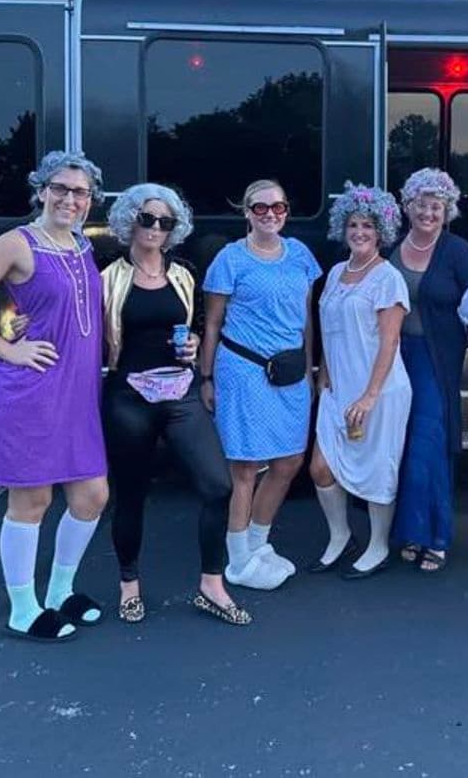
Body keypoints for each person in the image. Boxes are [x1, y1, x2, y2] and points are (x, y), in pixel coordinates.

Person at [0, 150, 108, 642]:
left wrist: (12, 321)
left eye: (79, 192)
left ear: (89, 200)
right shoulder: (17, 244)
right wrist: (9, 349)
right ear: (41, 191)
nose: (69, 199)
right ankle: (23, 607)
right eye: (60, 188)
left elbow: (45, 307)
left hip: (75, 398)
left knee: (93, 496)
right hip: (27, 394)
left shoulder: (79, 247)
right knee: (31, 501)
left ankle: (60, 592)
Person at [100, 184, 250, 626]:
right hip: (128, 395)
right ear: (131, 220)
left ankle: (211, 585)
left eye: (165, 222)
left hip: (179, 392)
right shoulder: (106, 276)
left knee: (217, 485)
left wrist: (194, 348)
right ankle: (129, 584)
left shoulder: (182, 272)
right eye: (148, 218)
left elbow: (200, 327)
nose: (156, 228)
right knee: (131, 495)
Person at [199, 179, 322, 590]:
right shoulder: (230, 259)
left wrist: (309, 369)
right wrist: (206, 376)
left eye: (279, 207)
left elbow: (306, 318)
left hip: (289, 374)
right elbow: (213, 323)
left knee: (289, 462)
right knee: (246, 468)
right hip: (243, 371)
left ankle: (256, 541)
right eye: (260, 208)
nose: (270, 214)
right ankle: (236, 561)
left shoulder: (301, 255)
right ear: (246, 212)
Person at [389, 168, 468, 572]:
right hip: (393, 357)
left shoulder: (457, 250)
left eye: (437, 206)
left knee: (426, 443)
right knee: (397, 441)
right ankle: (411, 530)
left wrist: (467, 324)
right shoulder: (393, 246)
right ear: (407, 205)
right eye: (421, 204)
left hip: (434, 359)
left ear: (447, 210)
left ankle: (436, 536)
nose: (428, 212)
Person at [310, 183, 411, 579]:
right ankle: (340, 537)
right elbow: (328, 328)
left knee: (376, 470)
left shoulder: (388, 278)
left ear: (381, 229)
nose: (359, 232)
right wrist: (324, 373)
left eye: (368, 225)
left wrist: (370, 396)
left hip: (380, 391)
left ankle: (378, 544)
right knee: (321, 467)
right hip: (339, 388)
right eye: (353, 224)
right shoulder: (336, 273)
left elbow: (390, 341)